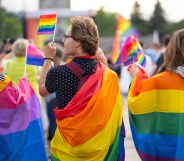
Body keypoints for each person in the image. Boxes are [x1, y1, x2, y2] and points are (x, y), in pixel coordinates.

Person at [39, 16, 124, 161]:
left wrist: (47, 59)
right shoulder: (109, 75)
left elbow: (42, 90)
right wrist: (103, 62)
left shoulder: (58, 72)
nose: (63, 41)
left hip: (66, 150)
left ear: (78, 42)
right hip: (99, 151)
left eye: (66, 37)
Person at [127, 29, 184, 161]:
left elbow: (137, 99)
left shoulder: (161, 81)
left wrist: (136, 77)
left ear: (172, 50)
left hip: (169, 150)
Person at [3, 38, 42, 103]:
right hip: (33, 97)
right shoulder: (35, 64)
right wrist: (32, 48)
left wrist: (14, 51)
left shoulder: (7, 64)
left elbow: (2, 61)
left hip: (15, 98)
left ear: (14, 50)